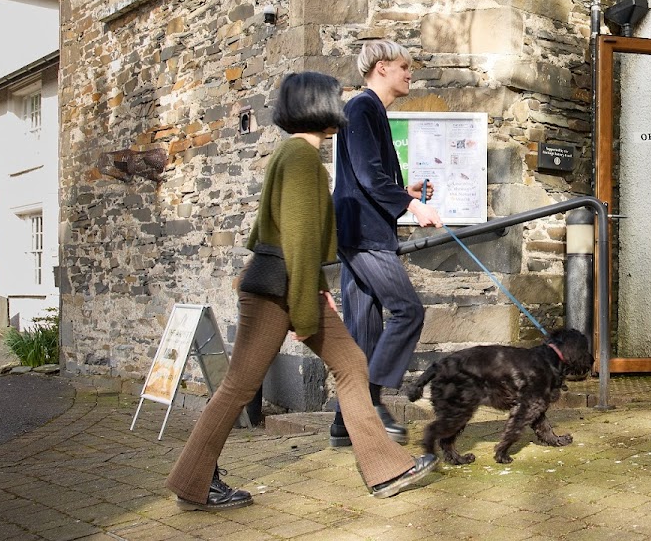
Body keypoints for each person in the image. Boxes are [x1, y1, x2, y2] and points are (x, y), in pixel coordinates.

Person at [165, 72, 436, 511]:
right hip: (281, 287)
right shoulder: (302, 158)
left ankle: (387, 469)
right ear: (318, 106)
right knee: (240, 386)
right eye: (334, 98)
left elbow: (265, 232)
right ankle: (193, 481)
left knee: (349, 364)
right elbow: (299, 239)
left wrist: (316, 291)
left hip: (285, 282)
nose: (341, 106)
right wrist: (305, 310)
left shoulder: (291, 153)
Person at [330, 40, 444, 448]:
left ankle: (344, 424)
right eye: (403, 67)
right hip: (364, 236)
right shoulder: (362, 108)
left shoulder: (370, 110)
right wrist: (413, 205)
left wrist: (404, 190)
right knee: (407, 311)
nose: (410, 74)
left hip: (357, 231)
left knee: (363, 331)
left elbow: (367, 176)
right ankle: (372, 404)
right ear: (381, 68)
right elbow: (366, 175)